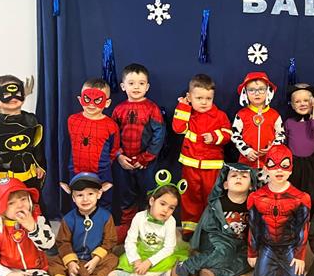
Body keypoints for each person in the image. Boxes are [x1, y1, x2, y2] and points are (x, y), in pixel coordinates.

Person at [169, 163, 259, 276]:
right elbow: (208, 227)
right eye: (234, 176)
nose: (238, 178)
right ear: (225, 184)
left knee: (250, 260)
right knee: (224, 252)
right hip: (216, 238)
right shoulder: (217, 204)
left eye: (244, 176)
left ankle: (214, 272)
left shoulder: (254, 206)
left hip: (239, 242)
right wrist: (226, 237)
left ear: (251, 185)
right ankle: (186, 266)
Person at [172, 73, 232, 238]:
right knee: (190, 197)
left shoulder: (220, 115)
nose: (204, 102)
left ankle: (211, 229)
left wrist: (215, 137)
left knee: (212, 198)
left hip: (212, 166)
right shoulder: (187, 112)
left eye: (208, 98)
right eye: (199, 98)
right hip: (190, 165)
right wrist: (183, 106)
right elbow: (178, 128)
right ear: (189, 97)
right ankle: (190, 229)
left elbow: (228, 134)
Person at [111, 64, 165, 242]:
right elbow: (112, 135)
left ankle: (150, 226)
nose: (136, 87)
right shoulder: (118, 109)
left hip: (146, 163)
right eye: (131, 83)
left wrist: (146, 158)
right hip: (124, 162)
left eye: (141, 83)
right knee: (126, 194)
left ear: (147, 87)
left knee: (150, 194)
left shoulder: (152, 108)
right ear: (123, 86)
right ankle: (127, 226)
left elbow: (159, 134)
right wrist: (119, 156)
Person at [247, 145, 311, 276]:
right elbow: (253, 227)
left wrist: (300, 256)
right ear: (266, 168)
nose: (279, 170)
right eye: (273, 165)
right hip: (267, 246)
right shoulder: (255, 197)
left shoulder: (301, 198)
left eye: (284, 165)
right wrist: (252, 252)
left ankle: (280, 267)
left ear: (291, 169)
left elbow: (303, 229)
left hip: (290, 246)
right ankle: (274, 267)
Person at [106, 173, 188, 276]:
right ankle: (162, 273)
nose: (166, 210)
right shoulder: (139, 217)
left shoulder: (170, 221)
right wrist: (136, 260)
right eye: (162, 204)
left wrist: (149, 262)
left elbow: (168, 248)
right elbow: (130, 241)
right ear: (152, 201)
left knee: (170, 260)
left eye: (171, 208)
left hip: (160, 254)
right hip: (142, 251)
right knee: (125, 259)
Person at [47, 172, 118, 276]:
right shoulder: (68, 219)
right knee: (51, 261)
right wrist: (70, 262)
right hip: (75, 257)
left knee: (112, 260)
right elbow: (63, 242)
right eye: (80, 195)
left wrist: (96, 259)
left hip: (94, 259)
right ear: (73, 198)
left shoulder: (106, 216)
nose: (85, 199)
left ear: (99, 194)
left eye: (90, 194)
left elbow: (110, 240)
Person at [0, 75, 46, 212]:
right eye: (6, 94)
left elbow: (36, 144)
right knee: (8, 212)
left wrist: (40, 165)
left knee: (34, 209)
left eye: (17, 93)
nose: (12, 98)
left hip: (30, 177)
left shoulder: (31, 119)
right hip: (5, 179)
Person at [66, 78, 120, 209]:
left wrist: (105, 164)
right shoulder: (72, 120)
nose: (91, 104)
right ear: (80, 99)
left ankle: (104, 222)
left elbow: (114, 148)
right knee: (78, 200)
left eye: (97, 100)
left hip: (102, 172)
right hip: (76, 169)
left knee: (104, 201)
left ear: (107, 103)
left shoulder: (111, 125)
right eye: (87, 99)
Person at [231, 72, 285, 181]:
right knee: (247, 188)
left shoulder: (274, 115)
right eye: (251, 90)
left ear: (268, 91)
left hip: (269, 163)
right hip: (246, 163)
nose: (257, 93)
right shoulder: (241, 114)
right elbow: (234, 136)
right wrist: (246, 151)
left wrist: (273, 148)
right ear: (245, 92)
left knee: (267, 190)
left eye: (261, 89)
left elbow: (281, 135)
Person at [284, 83, 314, 216]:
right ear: (292, 105)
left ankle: (312, 221)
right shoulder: (289, 122)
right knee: (294, 196)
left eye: (306, 100)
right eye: (297, 101)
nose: (302, 104)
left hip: (312, 165)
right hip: (295, 165)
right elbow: (285, 143)